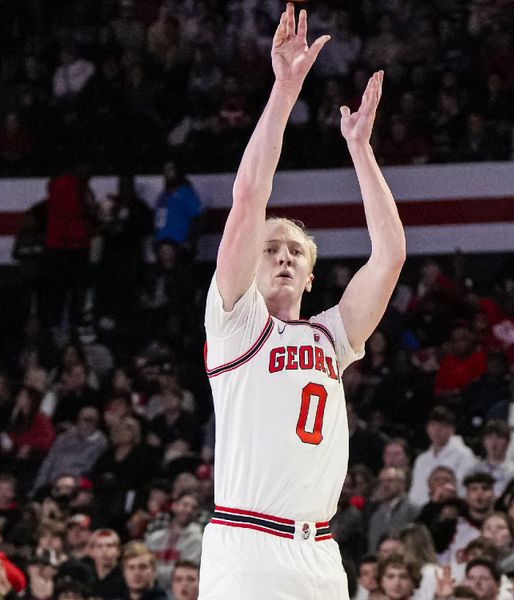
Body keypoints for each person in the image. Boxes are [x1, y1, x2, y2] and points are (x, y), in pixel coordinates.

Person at [199, 4, 405, 598]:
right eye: (271, 249)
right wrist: (285, 89)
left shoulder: (329, 338)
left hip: (319, 552)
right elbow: (248, 194)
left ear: (312, 276)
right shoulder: (236, 322)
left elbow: (389, 256)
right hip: (247, 545)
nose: (284, 256)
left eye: (296, 251)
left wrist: (360, 149)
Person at [409, 407, 476, 507]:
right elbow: (415, 492)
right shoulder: (422, 459)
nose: (436, 430)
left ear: (452, 429)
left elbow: (462, 490)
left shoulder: (464, 455)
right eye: (433, 425)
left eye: (442, 426)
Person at [367, 467, 419, 553]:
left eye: (390, 481)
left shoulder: (413, 510)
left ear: (402, 484)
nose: (385, 485)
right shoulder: (375, 516)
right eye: (382, 481)